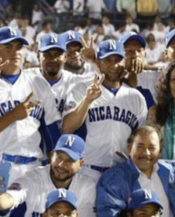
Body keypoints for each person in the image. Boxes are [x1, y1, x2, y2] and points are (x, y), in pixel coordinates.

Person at [0, 27, 61, 183]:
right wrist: (12, 116)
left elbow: (51, 134)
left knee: (36, 208)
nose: (15, 52)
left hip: (34, 166)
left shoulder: (39, 84)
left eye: (19, 47)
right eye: (8, 47)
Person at [62, 39, 147, 177]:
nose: (113, 65)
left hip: (122, 173)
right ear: (99, 63)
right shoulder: (82, 88)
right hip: (88, 171)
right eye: (107, 60)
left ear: (124, 62)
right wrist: (87, 100)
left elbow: (141, 138)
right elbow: (67, 128)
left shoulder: (136, 97)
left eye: (118, 60)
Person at [96, 126, 175, 217]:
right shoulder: (113, 179)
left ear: (160, 151)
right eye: (140, 146)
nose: (146, 153)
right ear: (129, 148)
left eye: (152, 147)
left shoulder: (173, 172)